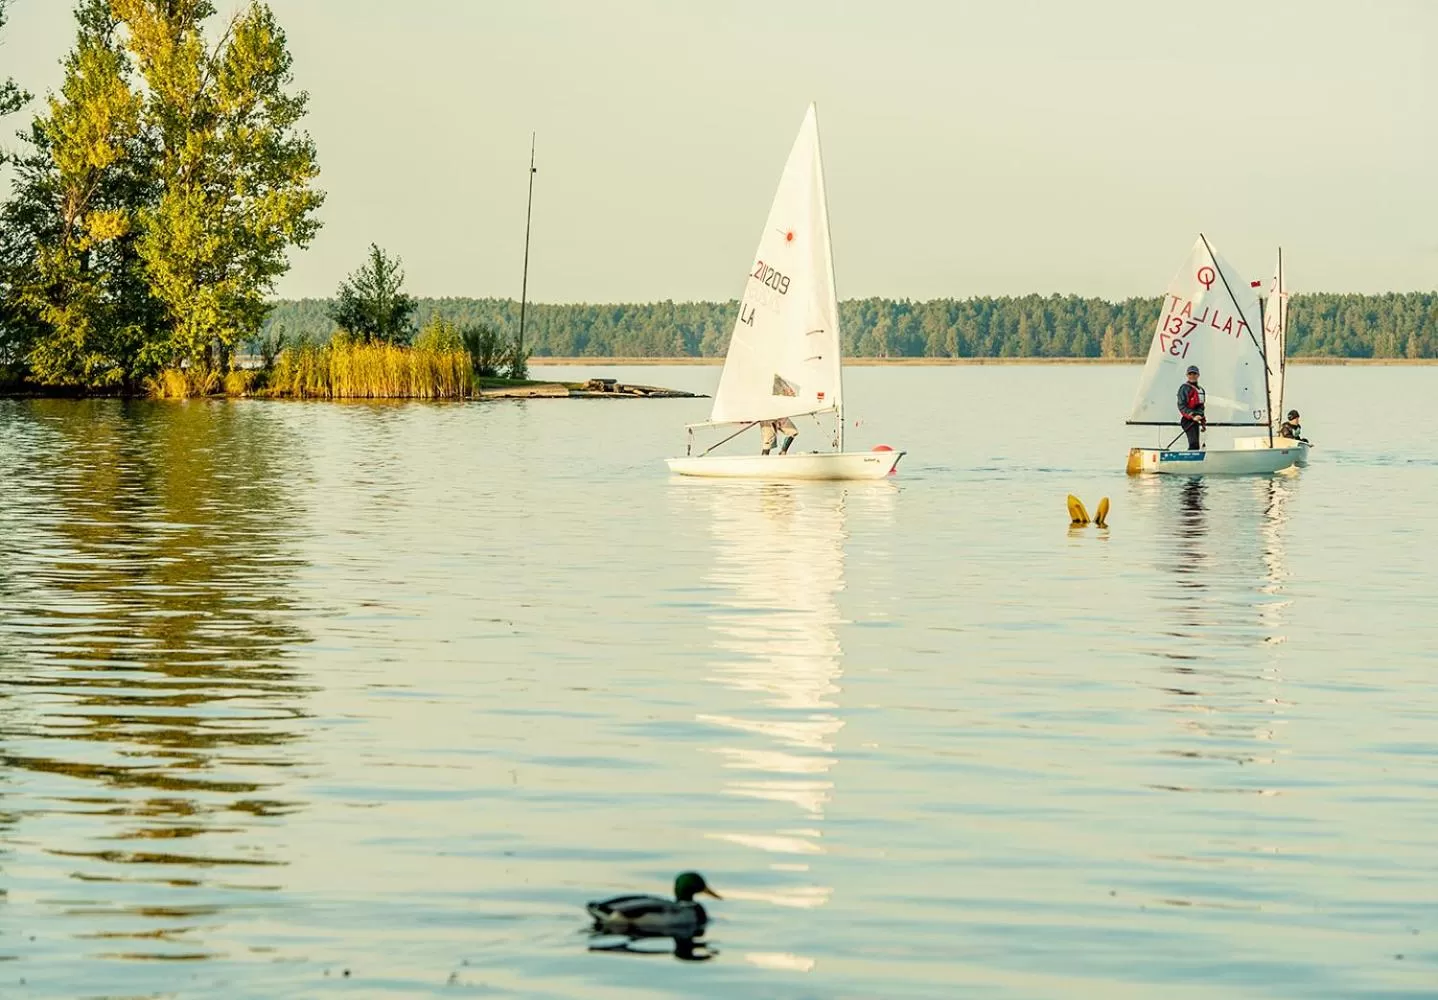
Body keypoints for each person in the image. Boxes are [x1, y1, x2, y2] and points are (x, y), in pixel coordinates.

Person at [1177, 364, 1205, 450]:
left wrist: (1201, 419)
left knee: (1196, 446)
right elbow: (1181, 405)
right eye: (1190, 374)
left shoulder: (1200, 389)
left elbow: (1201, 406)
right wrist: (1192, 416)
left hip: (1196, 420)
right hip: (1187, 420)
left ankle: (1195, 461)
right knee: (1194, 444)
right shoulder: (1184, 388)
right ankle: (1188, 461)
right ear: (1187, 375)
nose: (1192, 376)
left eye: (1194, 374)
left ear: (1198, 375)